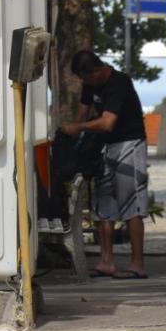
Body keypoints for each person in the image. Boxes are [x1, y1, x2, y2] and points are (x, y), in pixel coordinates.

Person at [60, 50, 149, 280]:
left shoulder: (119, 83)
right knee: (104, 204)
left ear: (98, 70)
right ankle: (106, 261)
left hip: (129, 144)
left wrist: (78, 128)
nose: (86, 84)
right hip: (106, 146)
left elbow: (108, 122)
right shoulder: (91, 84)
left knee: (132, 204)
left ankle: (137, 263)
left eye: (87, 78)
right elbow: (83, 112)